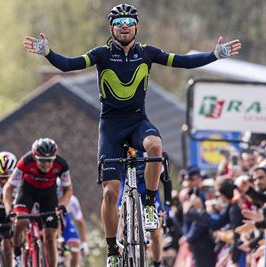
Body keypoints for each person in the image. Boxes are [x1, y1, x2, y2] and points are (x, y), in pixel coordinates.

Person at [22, 3, 241, 266]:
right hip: (111, 126)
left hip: (138, 119)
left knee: (155, 147)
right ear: (111, 28)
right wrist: (48, 53)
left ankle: (149, 204)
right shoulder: (102, 54)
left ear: (136, 26)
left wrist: (215, 54)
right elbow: (70, 65)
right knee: (110, 193)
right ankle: (113, 250)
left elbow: (182, 61)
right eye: (118, 21)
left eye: (129, 20)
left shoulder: (147, 53)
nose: (124, 25)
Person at [3, 138, 73, 267]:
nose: (46, 164)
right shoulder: (25, 162)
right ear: (35, 157)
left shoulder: (61, 165)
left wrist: (62, 205)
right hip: (28, 192)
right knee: (21, 221)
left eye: (49, 161)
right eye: (42, 161)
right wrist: (8, 210)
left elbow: (68, 189)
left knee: (50, 237)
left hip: (48, 194)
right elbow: (8, 188)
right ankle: (17, 252)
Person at [117, 147, 172, 267]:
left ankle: (157, 263)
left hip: (147, 187)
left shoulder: (148, 146)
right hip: (125, 183)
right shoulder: (118, 146)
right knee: (119, 216)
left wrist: (167, 207)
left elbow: (166, 181)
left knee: (155, 231)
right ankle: (120, 247)